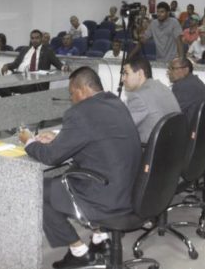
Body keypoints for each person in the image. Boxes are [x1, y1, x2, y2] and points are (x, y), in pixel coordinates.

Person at [18, 67, 141, 268]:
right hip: (131, 188)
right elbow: (98, 134)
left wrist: (29, 141)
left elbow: (51, 157)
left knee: (37, 190)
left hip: (106, 195)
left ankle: (79, 252)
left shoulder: (80, 112)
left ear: (82, 89)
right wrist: (60, 137)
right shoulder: (115, 102)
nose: (71, 98)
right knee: (69, 173)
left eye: (71, 93)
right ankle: (101, 239)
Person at [121, 57, 180, 143]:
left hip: (148, 148)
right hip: (172, 146)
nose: (123, 79)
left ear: (140, 73)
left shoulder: (138, 96)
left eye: (126, 73)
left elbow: (122, 127)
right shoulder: (162, 87)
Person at [167, 57, 205, 123]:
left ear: (186, 70)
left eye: (172, 68)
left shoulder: (182, 86)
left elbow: (171, 113)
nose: (168, 72)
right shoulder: (195, 80)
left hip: (188, 126)